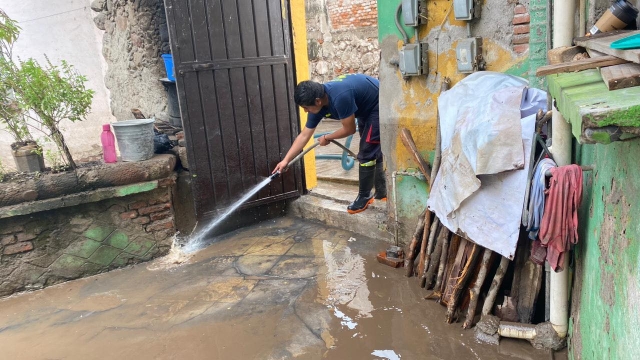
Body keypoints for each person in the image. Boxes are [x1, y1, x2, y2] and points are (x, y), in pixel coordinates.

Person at [272, 74, 386, 214]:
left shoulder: (340, 98)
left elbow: (349, 129)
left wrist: (327, 137)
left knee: (367, 152)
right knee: (373, 147)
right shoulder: (318, 105)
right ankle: (382, 192)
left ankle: (365, 196)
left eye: (306, 107)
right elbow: (304, 136)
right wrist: (285, 160)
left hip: (378, 103)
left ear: (318, 101)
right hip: (364, 107)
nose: (305, 111)